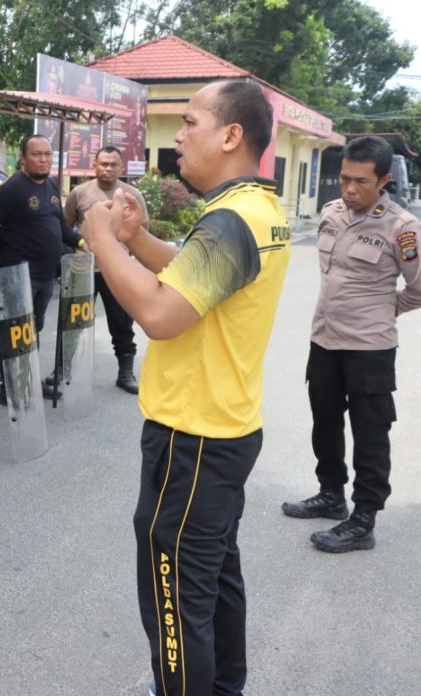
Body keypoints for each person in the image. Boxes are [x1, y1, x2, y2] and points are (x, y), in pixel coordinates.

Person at [82, 80, 288, 696]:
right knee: (215, 577)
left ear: (230, 135)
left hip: (193, 439)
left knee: (174, 596)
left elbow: (161, 313)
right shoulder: (256, 209)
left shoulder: (230, 218)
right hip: (226, 428)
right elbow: (196, 273)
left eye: (191, 122)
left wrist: (99, 239)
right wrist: (137, 240)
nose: (179, 136)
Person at [281, 135, 421, 553]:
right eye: (344, 179)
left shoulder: (402, 228)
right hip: (324, 340)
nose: (349, 188)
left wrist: (383, 309)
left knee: (370, 432)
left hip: (370, 348)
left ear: (383, 181)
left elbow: (418, 289)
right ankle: (331, 495)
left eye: (361, 181)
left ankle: (364, 519)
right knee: (324, 421)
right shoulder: (331, 213)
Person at [0, 134, 84, 403]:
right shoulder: (12, 189)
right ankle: (9, 388)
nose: (43, 159)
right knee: (13, 331)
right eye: (37, 154)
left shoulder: (49, 185)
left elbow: (60, 226)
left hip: (45, 275)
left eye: (47, 154)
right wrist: (13, 251)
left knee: (32, 330)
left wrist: (81, 241)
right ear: (23, 159)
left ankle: (25, 380)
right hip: (18, 275)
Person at [64, 145, 149, 394]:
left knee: (122, 325)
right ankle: (63, 369)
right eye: (103, 163)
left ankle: (125, 374)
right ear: (95, 165)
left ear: (120, 167)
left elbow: (142, 231)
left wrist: (126, 258)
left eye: (113, 164)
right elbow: (67, 228)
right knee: (73, 324)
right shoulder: (79, 193)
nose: (108, 168)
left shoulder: (132, 194)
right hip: (83, 271)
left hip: (117, 273)